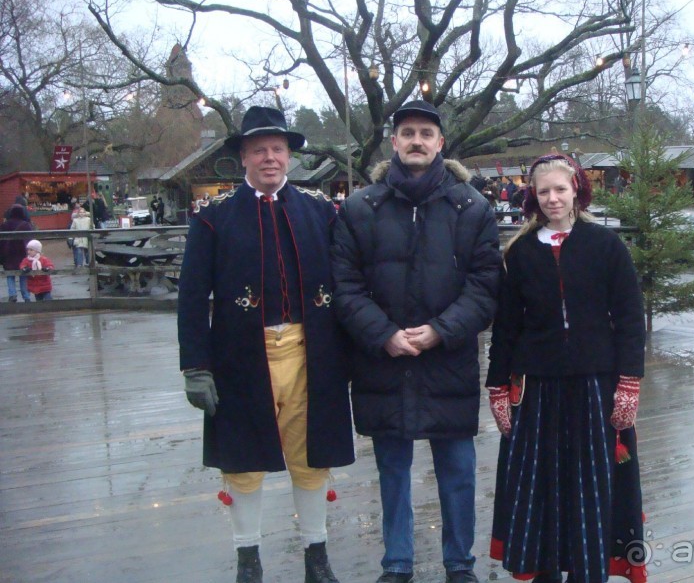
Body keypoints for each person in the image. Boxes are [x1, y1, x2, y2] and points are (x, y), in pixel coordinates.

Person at [177, 106, 354, 583]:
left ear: (289, 155)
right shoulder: (213, 218)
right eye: (259, 150)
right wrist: (196, 365)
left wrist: (353, 354)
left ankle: (317, 559)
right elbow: (191, 296)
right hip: (239, 357)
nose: (270, 157)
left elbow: (347, 284)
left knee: (312, 457)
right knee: (242, 463)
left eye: (277, 149)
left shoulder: (320, 210)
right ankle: (248, 561)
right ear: (244, 157)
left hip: (311, 354)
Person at [331, 100, 501, 583]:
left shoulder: (472, 207)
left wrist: (441, 331)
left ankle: (459, 562)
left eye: (426, 133)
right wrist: (383, 334)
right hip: (384, 361)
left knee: (458, 471)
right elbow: (345, 285)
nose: (417, 141)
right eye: (408, 133)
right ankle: (397, 561)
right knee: (392, 471)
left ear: (440, 142)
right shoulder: (360, 208)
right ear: (394, 141)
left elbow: (485, 286)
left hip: (447, 359)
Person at [486, 153, 647, 583]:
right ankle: (545, 572)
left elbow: (629, 317)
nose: (553, 198)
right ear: (533, 197)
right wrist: (497, 386)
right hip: (538, 388)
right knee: (541, 482)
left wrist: (629, 381)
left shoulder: (605, 245)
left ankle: (586, 570)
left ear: (577, 189)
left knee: (589, 482)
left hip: (594, 384)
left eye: (560, 189)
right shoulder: (520, 252)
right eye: (544, 191)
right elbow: (506, 326)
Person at [0, 204, 33, 302]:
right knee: (23, 274)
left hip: (8, 253)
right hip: (22, 252)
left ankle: (12, 294)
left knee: (10, 274)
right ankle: (26, 296)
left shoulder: (4, 225)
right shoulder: (26, 225)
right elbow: (30, 240)